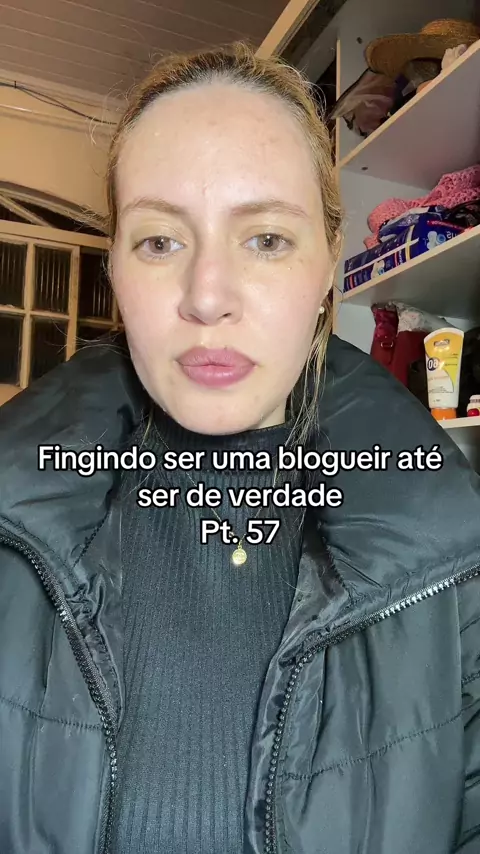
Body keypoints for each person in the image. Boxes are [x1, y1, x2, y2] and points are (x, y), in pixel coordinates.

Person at [0, 42, 479, 854]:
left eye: (266, 240)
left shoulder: (457, 557)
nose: (207, 297)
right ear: (115, 267)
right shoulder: (12, 526)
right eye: (160, 241)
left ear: (328, 266)